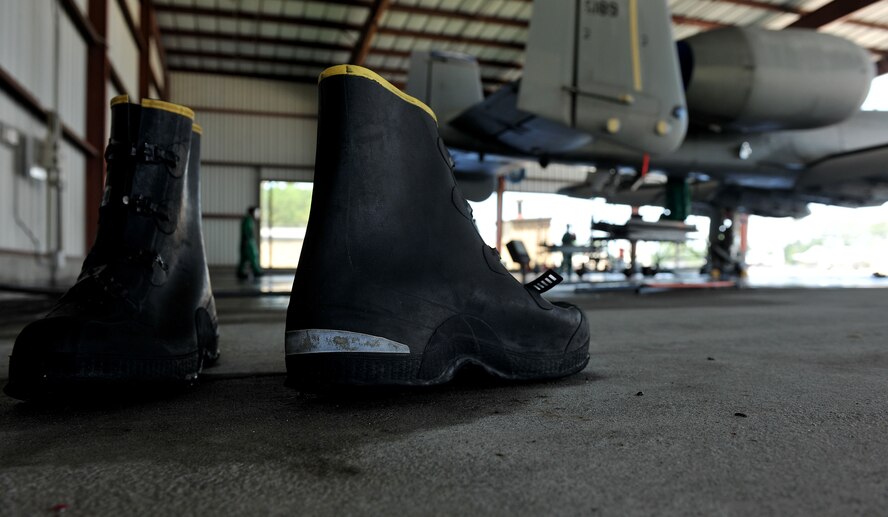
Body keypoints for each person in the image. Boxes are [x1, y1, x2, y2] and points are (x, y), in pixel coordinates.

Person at [237, 206, 264, 280]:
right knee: (253, 256)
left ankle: (241, 272)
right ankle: (256, 271)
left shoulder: (248, 219)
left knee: (244, 259)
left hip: (246, 242)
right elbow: (247, 231)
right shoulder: (248, 220)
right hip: (248, 242)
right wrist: (246, 241)